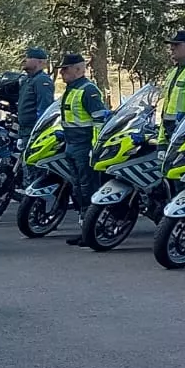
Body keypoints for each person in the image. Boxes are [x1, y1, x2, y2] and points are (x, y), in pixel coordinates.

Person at [58, 53, 109, 247]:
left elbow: (99, 121)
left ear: (79, 69)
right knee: (78, 189)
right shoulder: (71, 90)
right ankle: (84, 229)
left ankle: (93, 230)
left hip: (84, 146)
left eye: (66, 69)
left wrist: (94, 148)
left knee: (89, 189)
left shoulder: (88, 90)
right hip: (72, 145)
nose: (62, 73)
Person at [17, 48, 56, 140]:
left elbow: (44, 108)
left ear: (39, 62)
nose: (25, 60)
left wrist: (38, 132)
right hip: (25, 131)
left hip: (33, 131)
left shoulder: (42, 80)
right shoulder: (27, 80)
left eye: (29, 57)